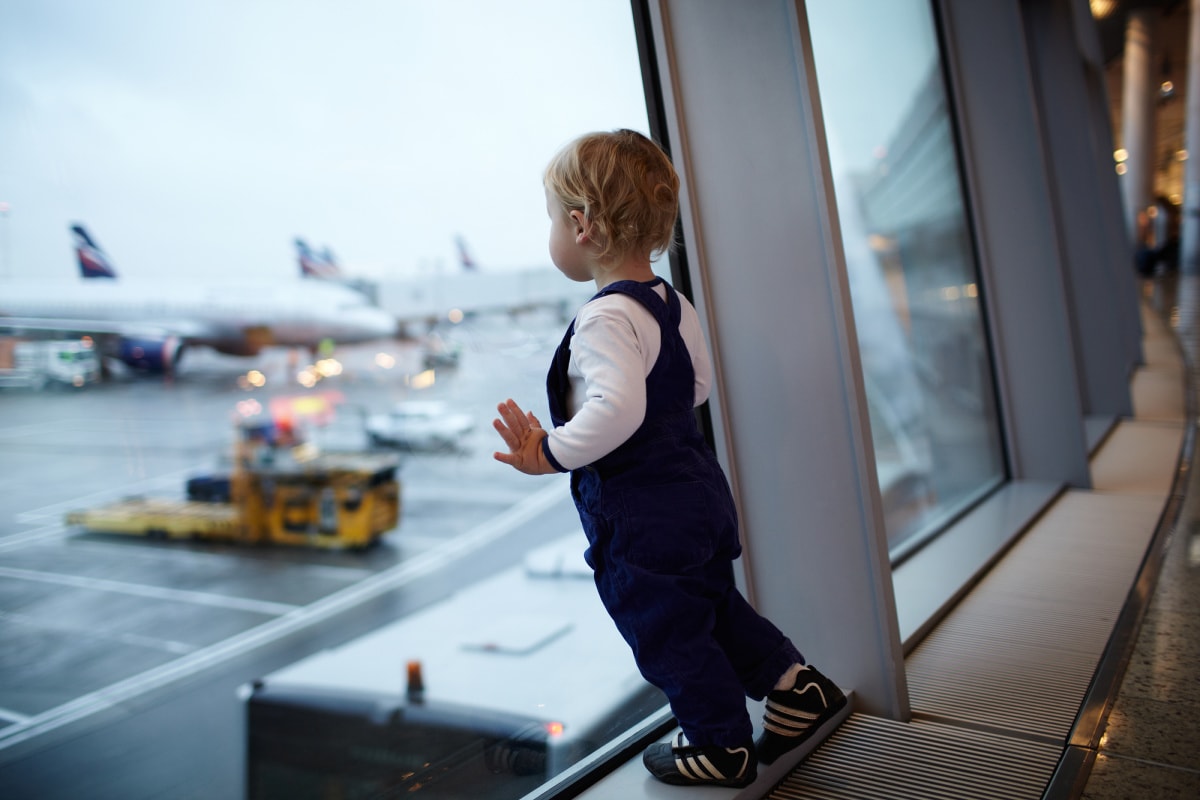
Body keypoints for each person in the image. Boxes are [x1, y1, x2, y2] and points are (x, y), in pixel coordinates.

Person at [492, 129, 846, 788]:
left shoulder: (604, 319)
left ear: (582, 225)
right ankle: (799, 691)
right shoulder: (668, 303)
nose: (551, 232)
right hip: (698, 491)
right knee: (712, 606)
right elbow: (698, 386)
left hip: (645, 513)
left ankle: (720, 744)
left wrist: (551, 450)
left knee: (665, 628)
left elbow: (618, 410)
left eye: (551, 219)